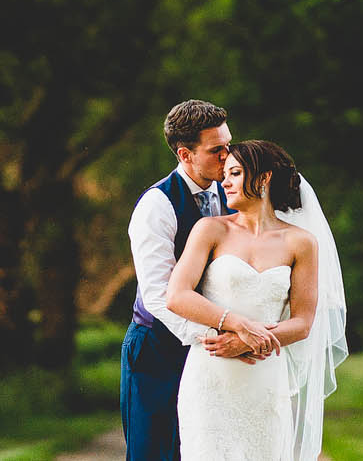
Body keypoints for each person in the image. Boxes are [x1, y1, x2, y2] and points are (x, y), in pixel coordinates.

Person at [168, 140, 346, 461]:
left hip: (264, 379)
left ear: (263, 179)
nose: (225, 182)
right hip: (211, 376)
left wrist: (249, 343)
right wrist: (239, 326)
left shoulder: (301, 242)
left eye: (235, 173)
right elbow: (177, 295)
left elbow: (303, 322)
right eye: (225, 174)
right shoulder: (210, 230)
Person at [121, 100, 259, 461]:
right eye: (217, 150)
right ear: (185, 154)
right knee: (157, 452)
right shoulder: (156, 206)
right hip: (158, 350)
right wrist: (216, 339)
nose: (229, 156)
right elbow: (156, 294)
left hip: (219, 348)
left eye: (229, 144)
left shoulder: (234, 196)